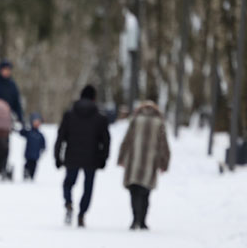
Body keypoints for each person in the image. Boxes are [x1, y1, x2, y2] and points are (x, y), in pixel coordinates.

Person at [55, 85, 111, 227]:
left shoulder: (69, 115)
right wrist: (103, 158)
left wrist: (57, 156)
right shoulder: (100, 117)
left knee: (68, 182)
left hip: (72, 155)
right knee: (88, 187)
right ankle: (82, 214)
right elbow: (106, 140)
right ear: (94, 98)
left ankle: (68, 203)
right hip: (92, 158)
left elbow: (61, 136)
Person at [117, 100, 170, 230]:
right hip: (150, 162)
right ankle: (142, 220)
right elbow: (163, 144)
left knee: (134, 191)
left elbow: (127, 139)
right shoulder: (159, 122)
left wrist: (122, 157)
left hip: (134, 160)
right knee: (145, 192)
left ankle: (135, 218)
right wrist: (164, 162)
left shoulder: (136, 120)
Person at [0, 59, 24, 125]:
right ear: (0, 70)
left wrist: (20, 118)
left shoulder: (12, 85)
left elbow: (16, 102)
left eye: (8, 70)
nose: (7, 72)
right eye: (5, 69)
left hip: (8, 117)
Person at [20, 112, 46, 180]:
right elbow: (22, 132)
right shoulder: (29, 132)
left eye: (38, 122)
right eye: (35, 122)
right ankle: (26, 174)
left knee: (34, 166)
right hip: (28, 154)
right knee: (27, 164)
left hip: (35, 155)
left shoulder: (40, 135)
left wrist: (43, 148)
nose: (36, 124)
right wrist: (23, 125)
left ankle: (31, 177)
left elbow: (43, 144)